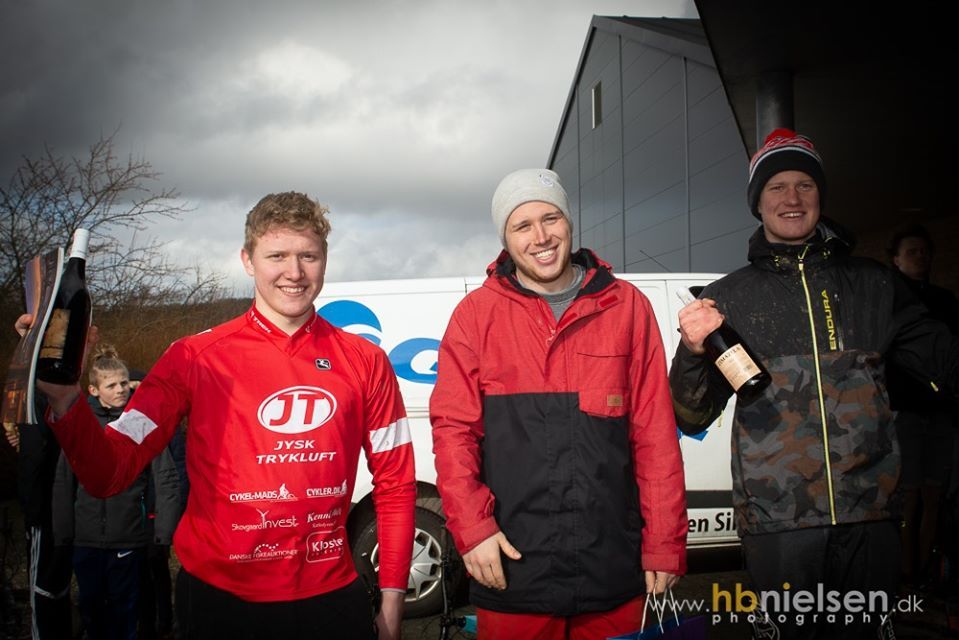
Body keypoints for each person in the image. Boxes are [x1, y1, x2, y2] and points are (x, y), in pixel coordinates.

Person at [26, 192, 415, 639]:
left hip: (329, 598)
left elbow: (396, 484)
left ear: (324, 260)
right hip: (220, 601)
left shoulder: (366, 361)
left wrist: (392, 601)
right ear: (248, 260)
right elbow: (109, 472)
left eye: (308, 256)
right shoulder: (191, 357)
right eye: (277, 256)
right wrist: (66, 399)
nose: (294, 272)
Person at [670, 129, 959, 639]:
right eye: (777, 186)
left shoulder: (874, 283)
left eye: (805, 184)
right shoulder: (727, 297)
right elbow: (690, 414)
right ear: (758, 202)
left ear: (820, 196)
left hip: (870, 515)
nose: (792, 197)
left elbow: (945, 363)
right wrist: (693, 353)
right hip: (778, 524)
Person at [430, 169, 688, 639]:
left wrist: (664, 543)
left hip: (612, 564)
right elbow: (453, 434)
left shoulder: (626, 306)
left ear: (569, 222)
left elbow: (655, 435)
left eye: (550, 218)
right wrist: (473, 530)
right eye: (522, 226)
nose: (541, 237)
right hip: (512, 566)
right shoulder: (475, 316)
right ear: (505, 239)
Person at [52, 345, 180, 640]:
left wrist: (162, 534)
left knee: (126, 609)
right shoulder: (82, 426)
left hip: (129, 536)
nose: (121, 389)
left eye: (124, 383)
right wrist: (63, 534)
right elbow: (63, 482)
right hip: (86, 539)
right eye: (111, 385)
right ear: (93, 390)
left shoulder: (140, 423)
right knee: (92, 607)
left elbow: (166, 479)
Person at [886, 224, 959, 588]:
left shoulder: (945, 302)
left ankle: (927, 570)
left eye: (924, 251)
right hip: (906, 412)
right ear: (896, 260)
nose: (920, 257)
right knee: (908, 493)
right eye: (911, 251)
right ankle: (905, 570)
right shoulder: (888, 302)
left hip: (942, 413)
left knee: (934, 492)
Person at [4, 396, 73, 640]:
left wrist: (31, 509)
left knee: (44, 585)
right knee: (56, 581)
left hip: (44, 508)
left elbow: (34, 457)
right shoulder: (58, 398)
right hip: (61, 504)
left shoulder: (37, 399)